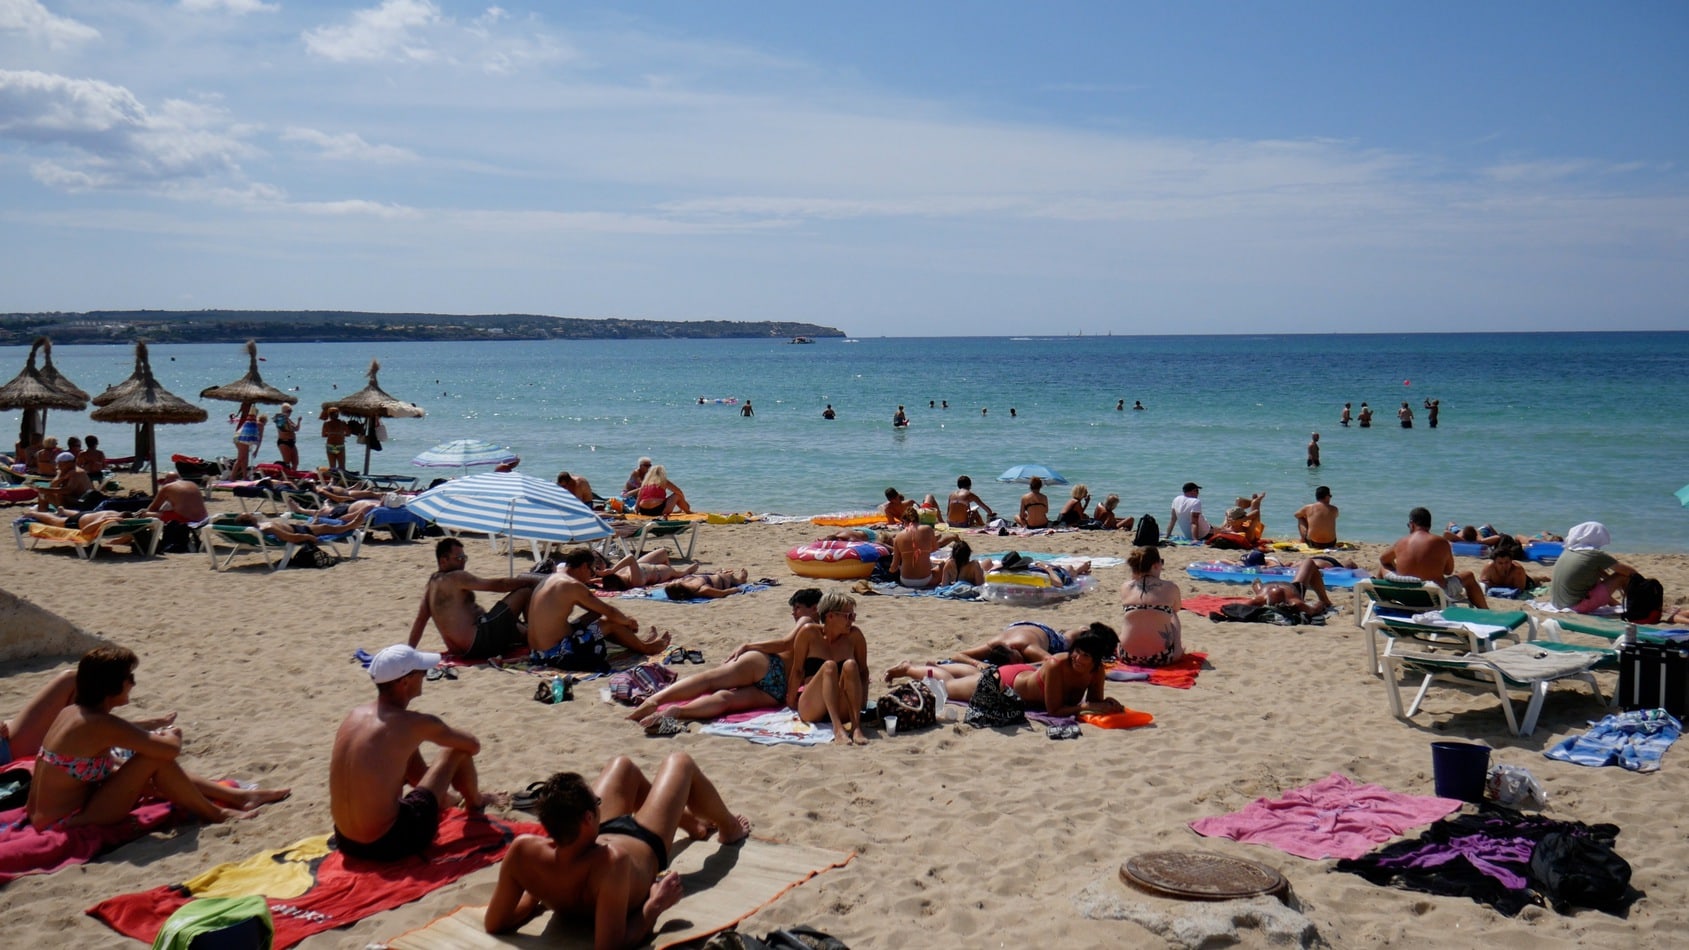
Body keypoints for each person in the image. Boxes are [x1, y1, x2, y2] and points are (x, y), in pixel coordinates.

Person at [483, 753, 750, 945]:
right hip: (645, 840)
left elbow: (495, 923)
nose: (599, 803)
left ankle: (693, 825)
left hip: (594, 838)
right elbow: (612, 946)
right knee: (680, 762)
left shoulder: (523, 851)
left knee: (623, 766)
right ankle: (729, 828)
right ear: (588, 817)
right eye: (596, 803)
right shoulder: (612, 863)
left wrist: (535, 894)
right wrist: (655, 906)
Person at [27, 646, 289, 830]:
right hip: (67, 822)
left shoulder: (72, 713)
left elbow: (114, 748)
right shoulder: (100, 723)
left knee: (144, 763)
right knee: (155, 758)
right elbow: (169, 750)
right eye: (129, 678)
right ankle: (217, 813)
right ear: (111, 686)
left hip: (46, 815)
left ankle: (238, 797)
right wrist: (171, 734)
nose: (133, 684)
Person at [330, 645, 494, 861]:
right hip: (388, 842)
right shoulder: (413, 723)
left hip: (346, 841)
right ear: (405, 682)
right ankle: (476, 803)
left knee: (406, 753)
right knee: (455, 751)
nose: (425, 675)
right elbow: (472, 745)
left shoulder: (354, 716)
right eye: (422, 672)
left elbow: (417, 776)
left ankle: (450, 800)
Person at [624, 590, 820, 727]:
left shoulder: (807, 622)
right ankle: (678, 713)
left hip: (769, 664)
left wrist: (749, 645)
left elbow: (786, 643)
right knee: (725, 700)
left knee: (709, 680)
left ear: (815, 608)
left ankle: (655, 700)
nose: (794, 613)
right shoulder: (826, 640)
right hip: (778, 689)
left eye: (798, 607)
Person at [886, 625, 1123, 717]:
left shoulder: (1096, 671)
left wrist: (1106, 704)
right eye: (1076, 652)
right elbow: (1055, 710)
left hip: (1023, 674)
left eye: (1086, 656)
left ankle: (935, 666)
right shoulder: (1056, 664)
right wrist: (1086, 706)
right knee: (947, 687)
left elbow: (1094, 702)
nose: (1078, 659)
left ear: (1096, 660)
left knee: (969, 678)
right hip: (1005, 684)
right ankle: (909, 668)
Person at [407, 538, 543, 658]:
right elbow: (499, 585)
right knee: (525, 592)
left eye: (464, 558)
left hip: (459, 650)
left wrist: (409, 652)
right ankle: (538, 643)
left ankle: (532, 635)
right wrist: (528, 582)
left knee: (519, 629)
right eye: (459, 558)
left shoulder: (432, 585)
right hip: (479, 641)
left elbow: (420, 621)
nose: (463, 563)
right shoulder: (456, 577)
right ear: (443, 560)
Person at [529, 548, 671, 656]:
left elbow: (598, 609)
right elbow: (610, 612)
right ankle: (645, 648)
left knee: (603, 616)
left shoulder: (552, 578)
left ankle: (638, 642)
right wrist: (628, 622)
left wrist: (621, 619)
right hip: (557, 652)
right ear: (584, 567)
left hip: (537, 652)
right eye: (592, 571)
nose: (591, 576)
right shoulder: (571, 585)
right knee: (611, 622)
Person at [789, 592, 870, 744]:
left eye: (853, 616)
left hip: (842, 707)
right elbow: (797, 670)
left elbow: (863, 672)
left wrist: (863, 701)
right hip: (813, 706)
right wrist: (791, 699)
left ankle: (856, 726)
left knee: (851, 665)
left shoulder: (854, 636)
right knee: (829, 666)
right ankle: (837, 729)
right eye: (848, 616)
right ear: (830, 616)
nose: (852, 620)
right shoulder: (809, 633)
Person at [1379, 507, 1489, 608]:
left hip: (1405, 595)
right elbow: (1448, 571)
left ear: (1412, 524)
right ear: (1429, 525)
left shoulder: (1401, 542)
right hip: (1436, 595)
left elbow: (1383, 560)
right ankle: (1485, 611)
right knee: (1468, 576)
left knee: (1383, 567)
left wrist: (1400, 568)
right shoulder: (1441, 542)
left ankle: (1381, 603)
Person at [1549, 521, 1638, 613]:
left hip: (1558, 603)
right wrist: (1641, 582)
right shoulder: (1594, 554)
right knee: (1622, 576)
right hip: (1577, 606)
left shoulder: (1569, 550)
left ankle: (1615, 604)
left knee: (1593, 577)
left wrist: (1610, 580)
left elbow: (1599, 572)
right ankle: (1633, 605)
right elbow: (1628, 571)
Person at [1118, 546, 1185, 666]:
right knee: (1172, 613)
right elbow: (1177, 608)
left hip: (1127, 655)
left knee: (1132, 616)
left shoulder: (1126, 587)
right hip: (1164, 656)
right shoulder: (1171, 587)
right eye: (1161, 562)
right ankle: (1178, 647)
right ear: (1156, 565)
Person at [948, 620, 1096, 666]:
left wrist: (1028, 664)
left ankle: (1080, 630)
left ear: (1013, 648)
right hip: (1015, 626)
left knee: (1066, 640)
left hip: (1042, 632)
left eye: (1018, 660)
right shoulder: (993, 645)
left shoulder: (1028, 648)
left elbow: (1053, 661)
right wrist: (977, 663)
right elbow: (956, 655)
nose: (1020, 663)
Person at [1246, 559, 1337, 616]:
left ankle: (1325, 600)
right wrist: (1321, 604)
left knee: (1256, 585)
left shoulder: (1259, 599)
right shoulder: (1295, 603)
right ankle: (1325, 599)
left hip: (1265, 588)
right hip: (1293, 588)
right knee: (1308, 562)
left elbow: (1242, 604)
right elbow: (1314, 610)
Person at [891, 506, 950, 589]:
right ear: (918, 519)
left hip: (905, 580)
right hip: (925, 580)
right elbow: (935, 548)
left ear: (905, 521)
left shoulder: (898, 536)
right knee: (945, 565)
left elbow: (894, 567)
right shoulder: (928, 529)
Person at [595, 550, 699, 591]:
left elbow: (601, 581)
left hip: (643, 565)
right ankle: (688, 570)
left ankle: (681, 569)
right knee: (678, 573)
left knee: (663, 552)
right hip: (659, 572)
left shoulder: (620, 576)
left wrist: (593, 578)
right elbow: (630, 558)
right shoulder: (635, 581)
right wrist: (612, 570)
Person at [143, 472, 210, 524]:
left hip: (186, 520)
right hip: (204, 519)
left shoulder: (167, 487)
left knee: (145, 514)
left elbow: (153, 508)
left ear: (166, 481)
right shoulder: (192, 484)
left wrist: (145, 513)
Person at [661, 569, 750, 601]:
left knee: (721, 572)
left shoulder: (685, 581)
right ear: (679, 587)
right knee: (730, 577)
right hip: (724, 581)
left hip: (710, 576)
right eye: (674, 582)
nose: (675, 580)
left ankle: (720, 572)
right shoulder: (701, 590)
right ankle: (741, 580)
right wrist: (735, 590)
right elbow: (722, 593)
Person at [273, 404, 300, 471]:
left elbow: (296, 429)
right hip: (284, 442)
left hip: (292, 442)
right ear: (283, 411)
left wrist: (299, 421)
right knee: (287, 462)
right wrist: (285, 419)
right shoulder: (280, 419)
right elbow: (286, 429)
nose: (290, 413)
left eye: (290, 411)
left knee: (295, 462)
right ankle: (282, 472)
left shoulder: (288, 420)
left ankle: (292, 474)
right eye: (288, 411)